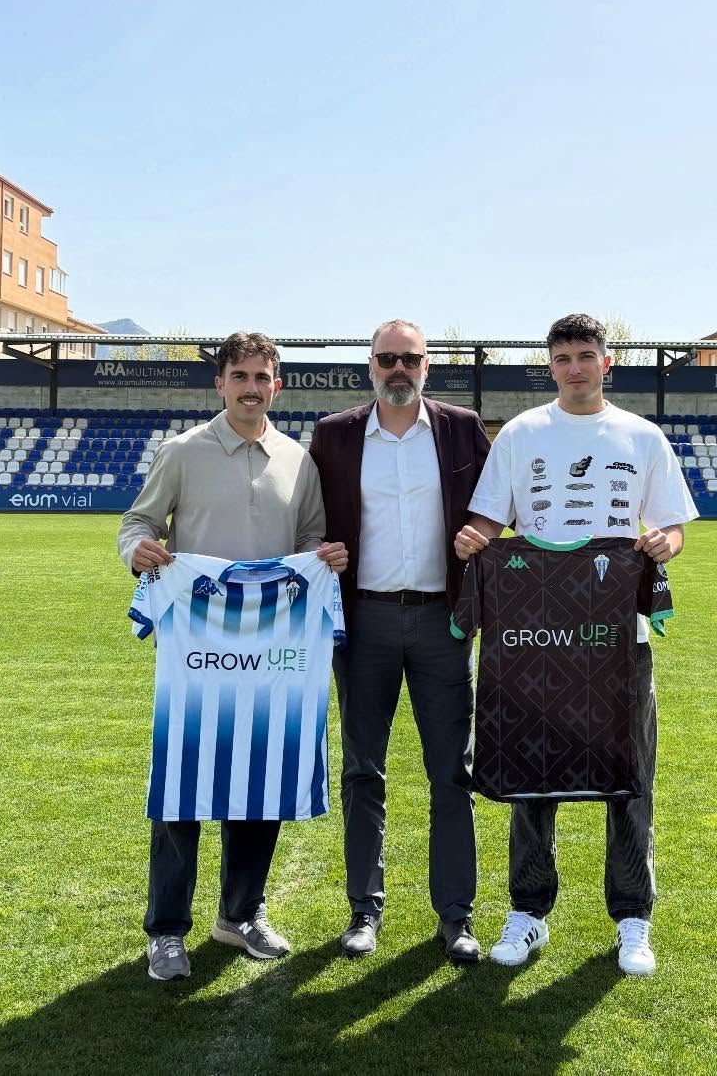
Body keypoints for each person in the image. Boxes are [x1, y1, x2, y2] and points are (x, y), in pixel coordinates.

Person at [454, 312, 697, 976]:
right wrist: (472, 539)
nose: (575, 367)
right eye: (563, 358)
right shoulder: (523, 434)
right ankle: (529, 912)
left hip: (618, 636)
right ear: (551, 366)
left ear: (606, 362)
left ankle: (633, 920)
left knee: (629, 776)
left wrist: (658, 544)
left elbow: (672, 527)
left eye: (586, 355)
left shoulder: (641, 437)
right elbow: (487, 518)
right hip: (533, 636)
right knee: (531, 774)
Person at [118, 330, 348, 982]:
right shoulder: (183, 452)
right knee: (182, 794)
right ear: (219, 383)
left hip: (274, 654)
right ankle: (167, 930)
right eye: (239, 376)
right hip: (197, 652)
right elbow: (138, 523)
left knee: (260, 784)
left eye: (261, 377)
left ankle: (240, 914)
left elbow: (309, 544)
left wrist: (324, 561)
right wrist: (137, 550)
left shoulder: (299, 462)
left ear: (278, 385)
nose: (251, 388)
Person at [309, 319, 492, 963]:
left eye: (409, 358)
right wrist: (316, 549)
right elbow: (307, 520)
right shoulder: (333, 435)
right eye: (386, 358)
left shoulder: (462, 427)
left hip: (444, 624)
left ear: (426, 365)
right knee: (363, 770)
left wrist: (481, 534)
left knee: (452, 771)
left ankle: (457, 916)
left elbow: (497, 507)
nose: (398, 368)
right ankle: (365, 910)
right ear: (369, 367)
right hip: (363, 624)